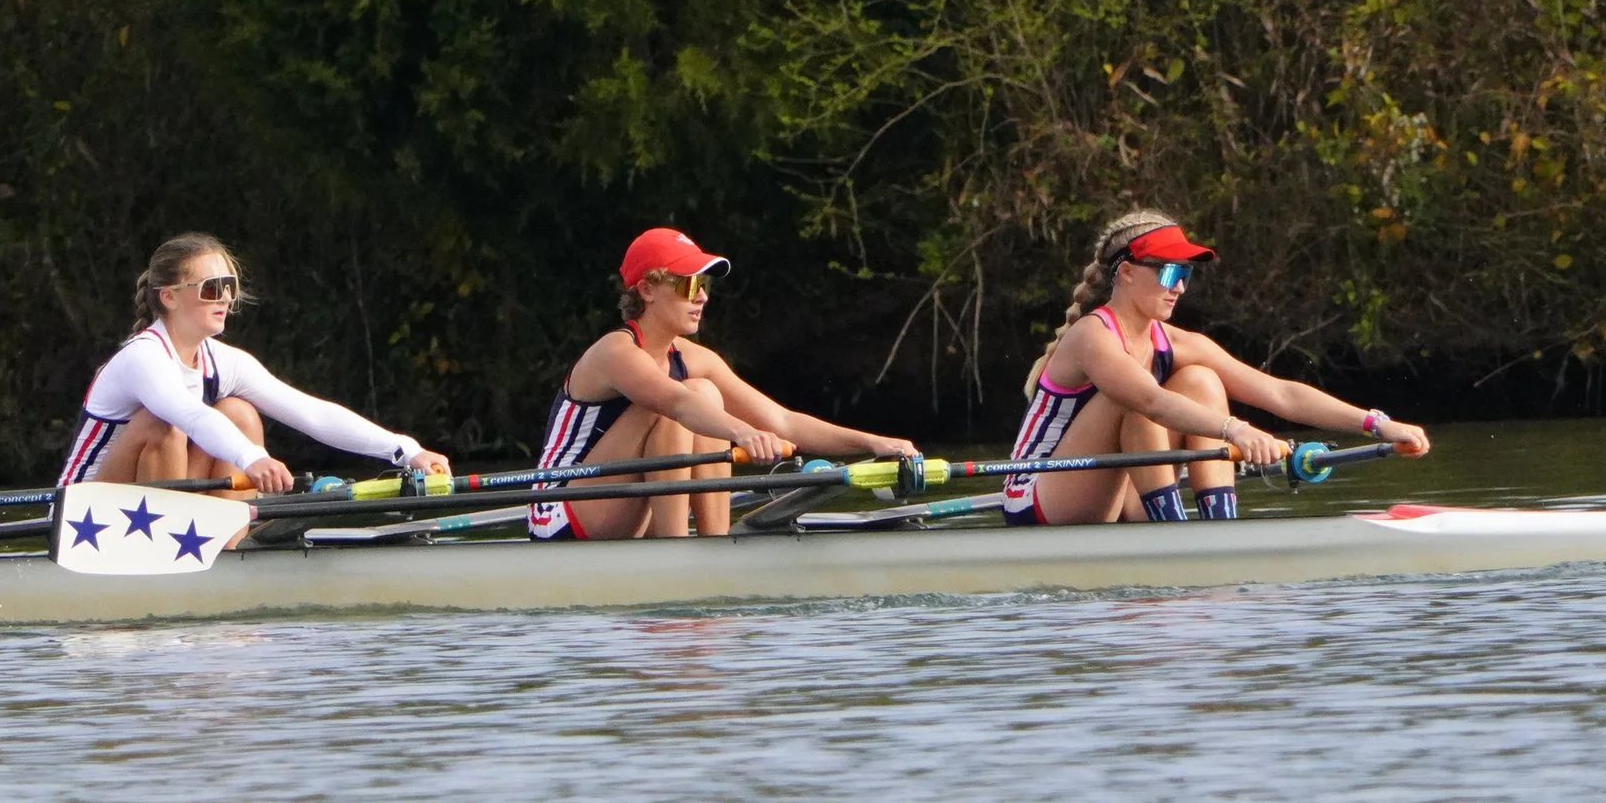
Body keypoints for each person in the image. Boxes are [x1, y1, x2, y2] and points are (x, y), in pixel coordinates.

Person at [1004, 211, 1430, 525]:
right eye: (1169, 271)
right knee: (1136, 399)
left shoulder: (1178, 343)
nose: (1180, 286)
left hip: (1115, 486)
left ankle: (1218, 525)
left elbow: (1280, 394)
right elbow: (1151, 401)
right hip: (1039, 493)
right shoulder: (1092, 336)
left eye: (1185, 273)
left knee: (1201, 379)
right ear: (1128, 272)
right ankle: (1174, 533)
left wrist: (1378, 424)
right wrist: (1236, 430)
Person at [529, 227, 920, 540]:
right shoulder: (615, 352)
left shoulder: (694, 358)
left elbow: (783, 422)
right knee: (693, 396)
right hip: (560, 508)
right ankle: (676, 551)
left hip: (622, 504)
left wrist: (874, 442)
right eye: (687, 285)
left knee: (705, 392)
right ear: (646, 290)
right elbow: (678, 404)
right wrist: (743, 433)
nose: (701, 297)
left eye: (704, 285)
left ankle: (715, 544)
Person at [61, 234, 451, 494]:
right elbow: (191, 416)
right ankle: (164, 551)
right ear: (169, 297)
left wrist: (405, 450)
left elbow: (311, 413)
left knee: (239, 414)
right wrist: (253, 458)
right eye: (212, 288)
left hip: (155, 505)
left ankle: (228, 545)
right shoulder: (143, 357)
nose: (226, 298)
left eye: (229, 286)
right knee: (163, 426)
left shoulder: (225, 362)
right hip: (83, 518)